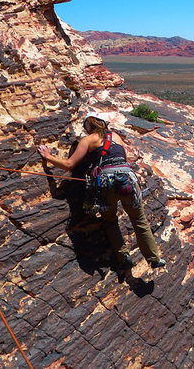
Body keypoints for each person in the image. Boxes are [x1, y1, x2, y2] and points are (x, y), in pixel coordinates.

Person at [37, 113, 166, 270]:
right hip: (128, 179)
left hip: (106, 182)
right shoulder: (117, 137)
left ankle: (123, 256)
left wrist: (48, 156)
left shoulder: (88, 139)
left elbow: (69, 164)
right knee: (139, 220)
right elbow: (123, 158)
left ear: (88, 127)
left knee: (110, 221)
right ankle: (154, 257)